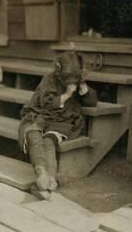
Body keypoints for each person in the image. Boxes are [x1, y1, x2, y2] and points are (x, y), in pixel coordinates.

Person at [18, 51, 98, 200]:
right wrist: (67, 94)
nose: (70, 82)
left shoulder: (77, 81)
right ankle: (42, 172)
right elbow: (46, 104)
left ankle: (51, 179)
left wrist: (82, 86)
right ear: (58, 70)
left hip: (62, 120)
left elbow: (92, 101)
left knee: (49, 141)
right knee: (33, 133)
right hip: (41, 113)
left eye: (74, 78)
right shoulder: (49, 79)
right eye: (68, 79)